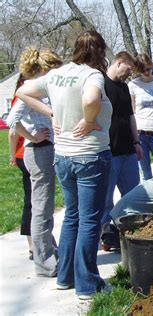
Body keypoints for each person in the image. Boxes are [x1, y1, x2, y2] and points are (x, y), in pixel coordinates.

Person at [17, 30, 112, 300]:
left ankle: (65, 276)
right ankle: (87, 283)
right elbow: (91, 98)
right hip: (90, 155)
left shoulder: (57, 73)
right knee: (90, 220)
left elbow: (24, 90)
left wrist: (51, 111)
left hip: (64, 157)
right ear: (100, 51)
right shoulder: (91, 75)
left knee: (72, 216)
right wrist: (89, 118)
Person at [7, 48, 62, 277]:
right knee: (41, 207)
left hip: (47, 151)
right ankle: (45, 262)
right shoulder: (30, 89)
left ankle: (50, 251)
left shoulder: (41, 89)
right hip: (38, 152)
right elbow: (11, 120)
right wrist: (32, 136)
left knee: (45, 206)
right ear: (44, 70)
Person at [100, 51, 143, 250]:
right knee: (105, 199)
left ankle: (128, 236)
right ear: (119, 63)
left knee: (131, 196)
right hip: (109, 151)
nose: (129, 73)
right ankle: (104, 236)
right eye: (128, 69)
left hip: (128, 151)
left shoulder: (125, 88)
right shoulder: (100, 84)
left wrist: (137, 142)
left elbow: (131, 116)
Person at [7, 74, 33, 260]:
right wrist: (12, 156)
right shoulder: (22, 97)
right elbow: (12, 131)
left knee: (35, 199)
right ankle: (32, 244)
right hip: (25, 154)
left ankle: (35, 243)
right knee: (32, 200)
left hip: (30, 152)